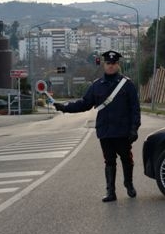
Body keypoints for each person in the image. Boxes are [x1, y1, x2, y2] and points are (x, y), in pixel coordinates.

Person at [53, 50, 141, 202]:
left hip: (122, 131)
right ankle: (110, 192)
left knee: (127, 159)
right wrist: (65, 107)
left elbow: (135, 108)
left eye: (113, 64)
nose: (111, 66)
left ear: (118, 65)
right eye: (108, 63)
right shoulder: (97, 86)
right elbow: (84, 104)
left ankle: (129, 183)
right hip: (105, 131)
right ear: (104, 65)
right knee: (109, 161)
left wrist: (134, 128)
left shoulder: (127, 85)